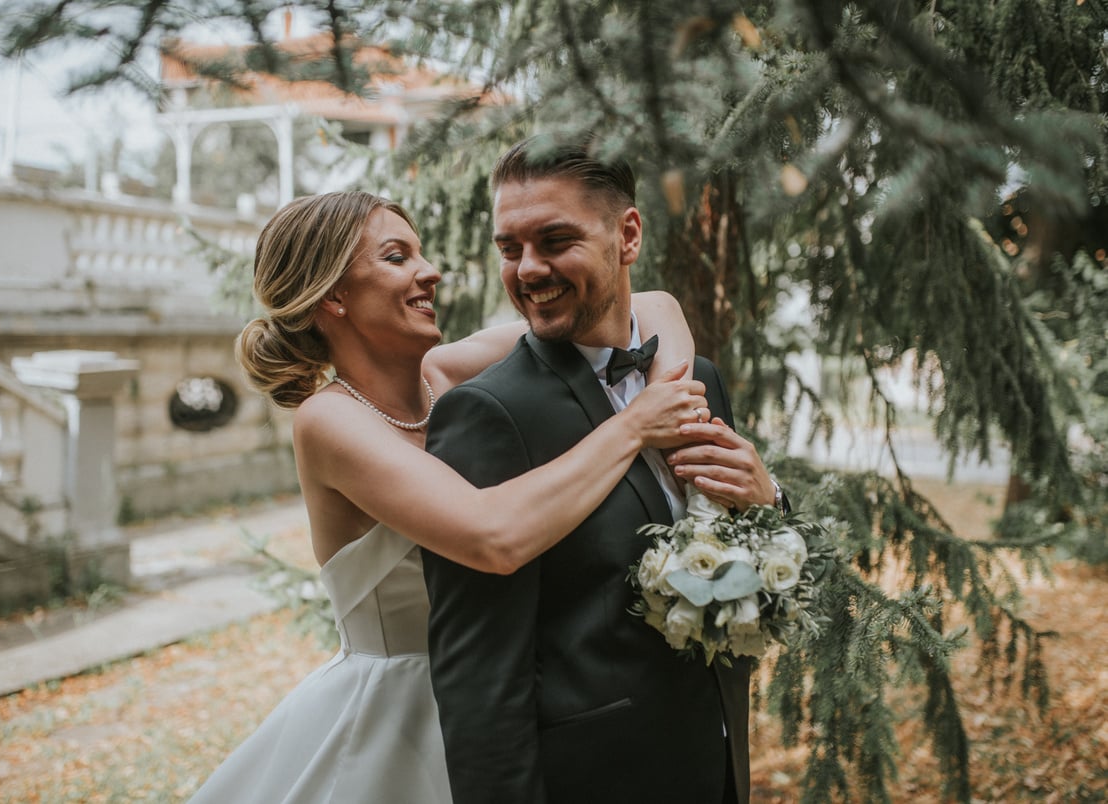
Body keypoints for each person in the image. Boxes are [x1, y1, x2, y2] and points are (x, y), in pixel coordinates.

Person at [188, 190, 714, 803]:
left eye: (420, 252)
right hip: (403, 715)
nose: (429, 270)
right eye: (396, 257)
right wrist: (634, 426)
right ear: (334, 296)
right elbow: (493, 537)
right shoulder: (328, 421)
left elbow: (651, 304)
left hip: (513, 696)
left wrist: (666, 393)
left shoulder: (442, 374)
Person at [422, 137, 784, 804]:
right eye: (510, 248)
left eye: (554, 240)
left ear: (628, 235)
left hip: (715, 764)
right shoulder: (488, 414)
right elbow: (479, 679)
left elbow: (750, 584)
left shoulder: (696, 378)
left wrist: (766, 503)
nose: (528, 269)